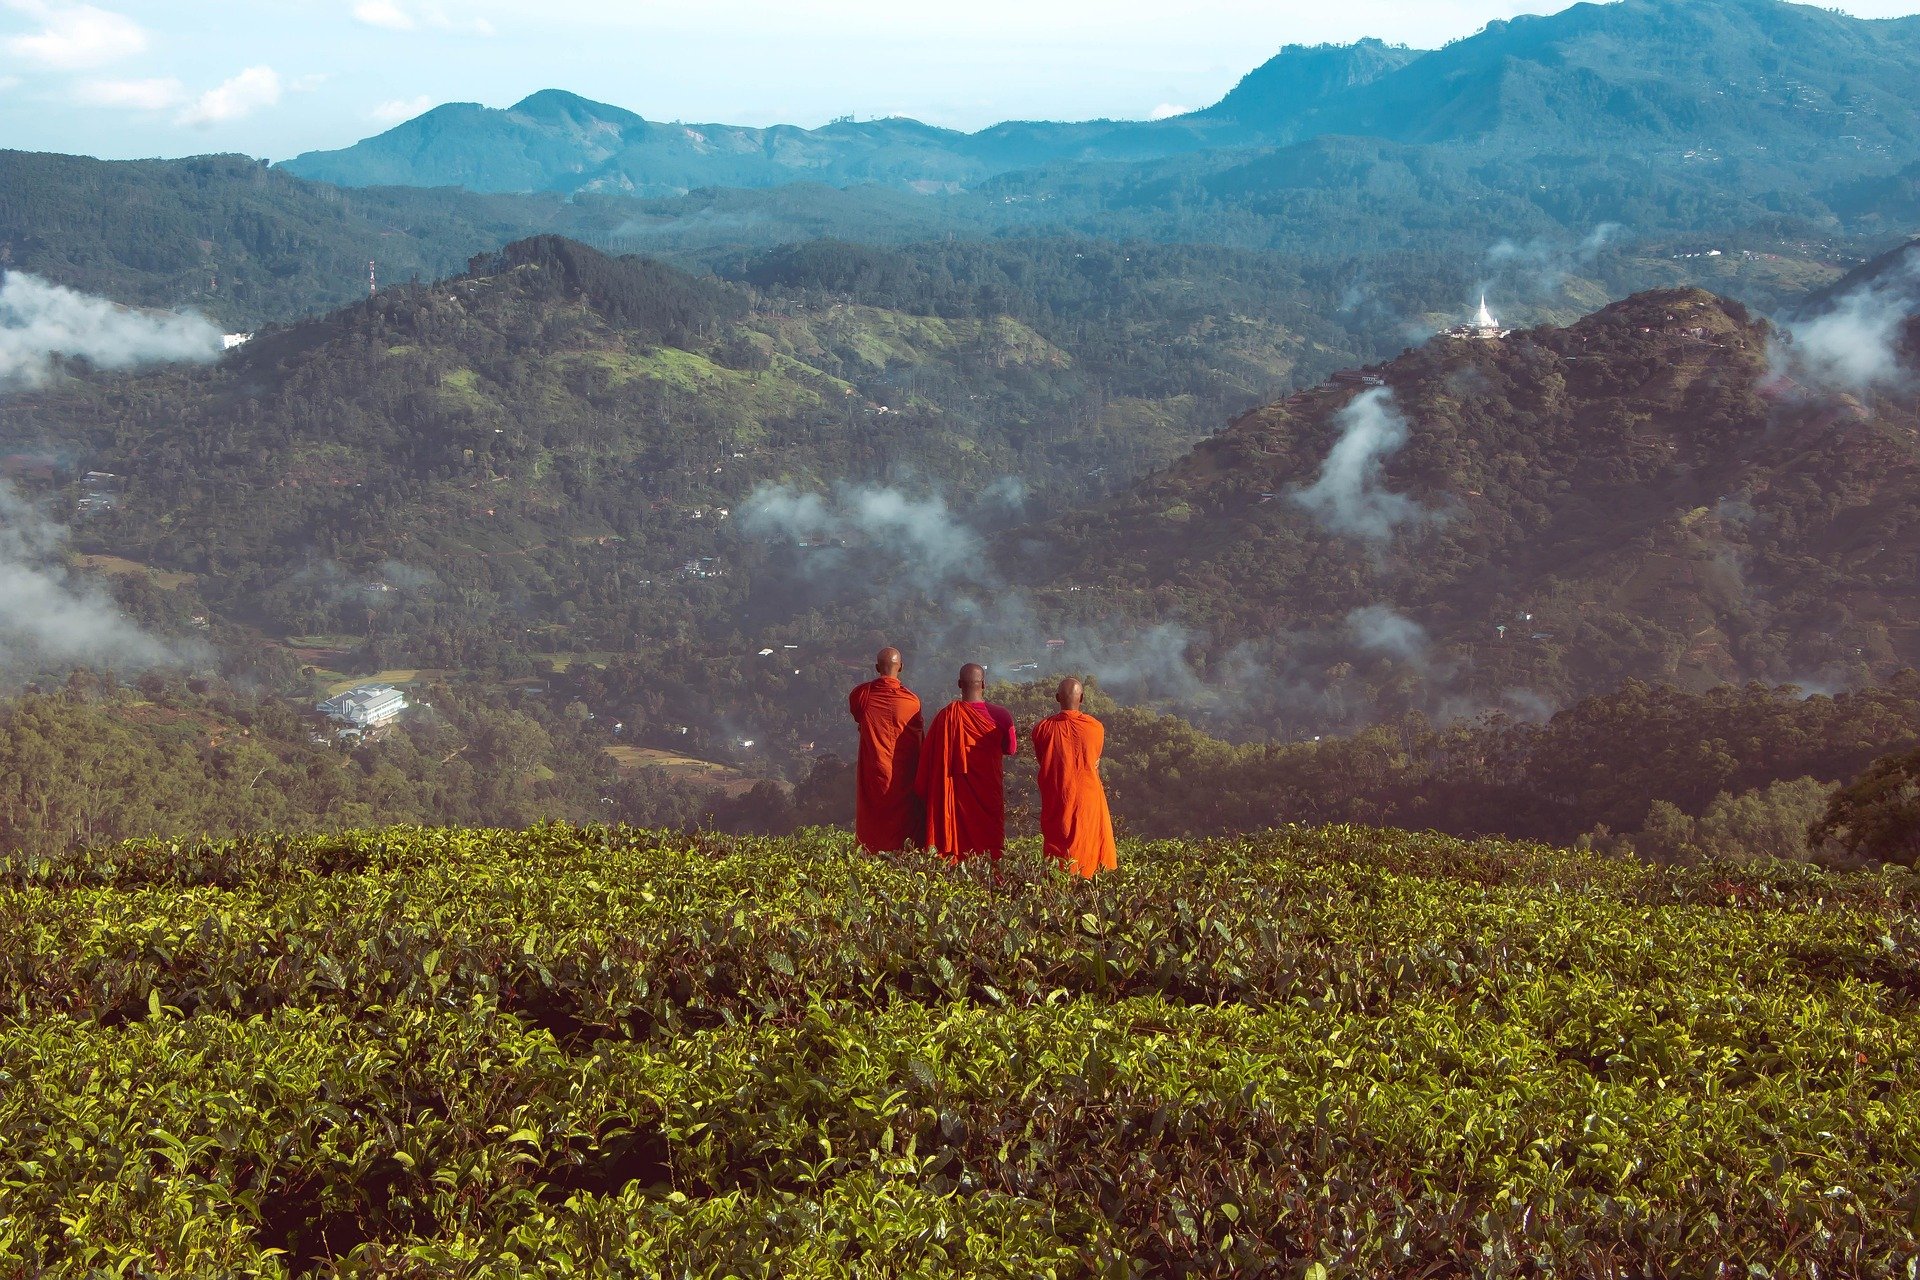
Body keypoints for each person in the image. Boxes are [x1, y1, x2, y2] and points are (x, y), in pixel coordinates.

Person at [915, 663, 1018, 864]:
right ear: (984, 685)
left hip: (954, 799)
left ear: (959, 684)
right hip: (989, 797)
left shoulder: (945, 718)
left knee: (956, 849)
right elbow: (1011, 749)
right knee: (990, 852)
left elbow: (926, 763)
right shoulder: (1001, 716)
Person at [1032, 677, 1118, 878]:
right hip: (1088, 799)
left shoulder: (1042, 729)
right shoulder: (1095, 728)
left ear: (1056, 698)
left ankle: (1060, 894)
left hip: (1059, 798)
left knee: (1059, 852)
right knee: (1090, 847)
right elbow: (1094, 759)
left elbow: (1043, 760)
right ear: (1082, 698)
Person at [847, 646, 924, 854]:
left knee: (873, 826)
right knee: (904, 830)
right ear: (901, 667)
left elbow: (859, 715)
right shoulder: (912, 702)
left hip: (875, 775)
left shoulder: (862, 695)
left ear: (876, 667)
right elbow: (918, 740)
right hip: (903, 778)